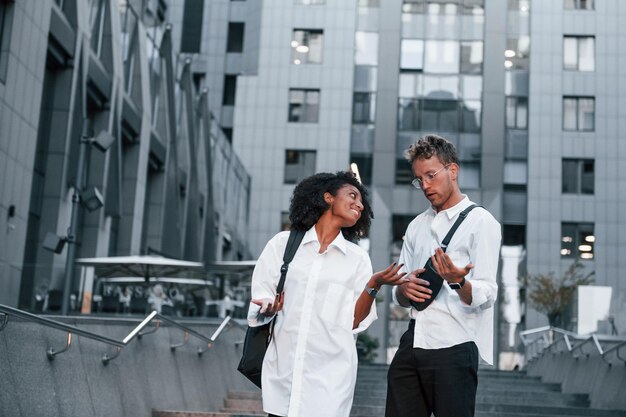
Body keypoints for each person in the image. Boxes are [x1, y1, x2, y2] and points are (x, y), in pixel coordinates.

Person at [247, 171, 406, 417]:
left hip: (331, 381)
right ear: (328, 197)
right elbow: (262, 293)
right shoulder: (283, 244)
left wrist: (373, 285)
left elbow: (355, 322)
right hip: (284, 375)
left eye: (362, 203)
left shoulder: (357, 259)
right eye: (352, 195)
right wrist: (267, 306)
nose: (359, 205)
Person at [386, 135, 502, 417]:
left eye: (431, 175)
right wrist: (403, 290)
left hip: (455, 345)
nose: (425, 186)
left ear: (452, 170)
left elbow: (487, 293)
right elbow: (399, 290)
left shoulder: (481, 222)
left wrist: (457, 281)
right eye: (418, 179)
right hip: (412, 342)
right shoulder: (415, 226)